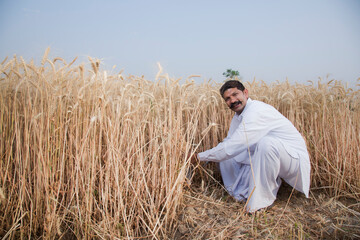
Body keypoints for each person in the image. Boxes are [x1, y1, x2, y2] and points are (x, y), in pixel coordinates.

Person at [196, 80, 311, 212]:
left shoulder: (256, 110)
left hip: (293, 160)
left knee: (265, 144)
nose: (233, 100)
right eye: (228, 98)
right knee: (226, 151)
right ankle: (239, 192)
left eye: (235, 94)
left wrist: (199, 157)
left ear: (245, 93)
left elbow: (233, 147)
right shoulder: (238, 116)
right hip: (273, 156)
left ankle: (260, 203)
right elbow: (229, 143)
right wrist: (202, 157)